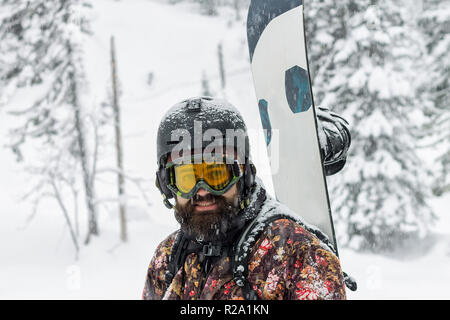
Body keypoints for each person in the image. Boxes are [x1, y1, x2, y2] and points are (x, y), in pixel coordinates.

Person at [143, 96, 350, 300]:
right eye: (187, 179)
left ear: (244, 174)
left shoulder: (297, 255)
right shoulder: (168, 257)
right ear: (166, 184)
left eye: (217, 174)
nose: (202, 191)